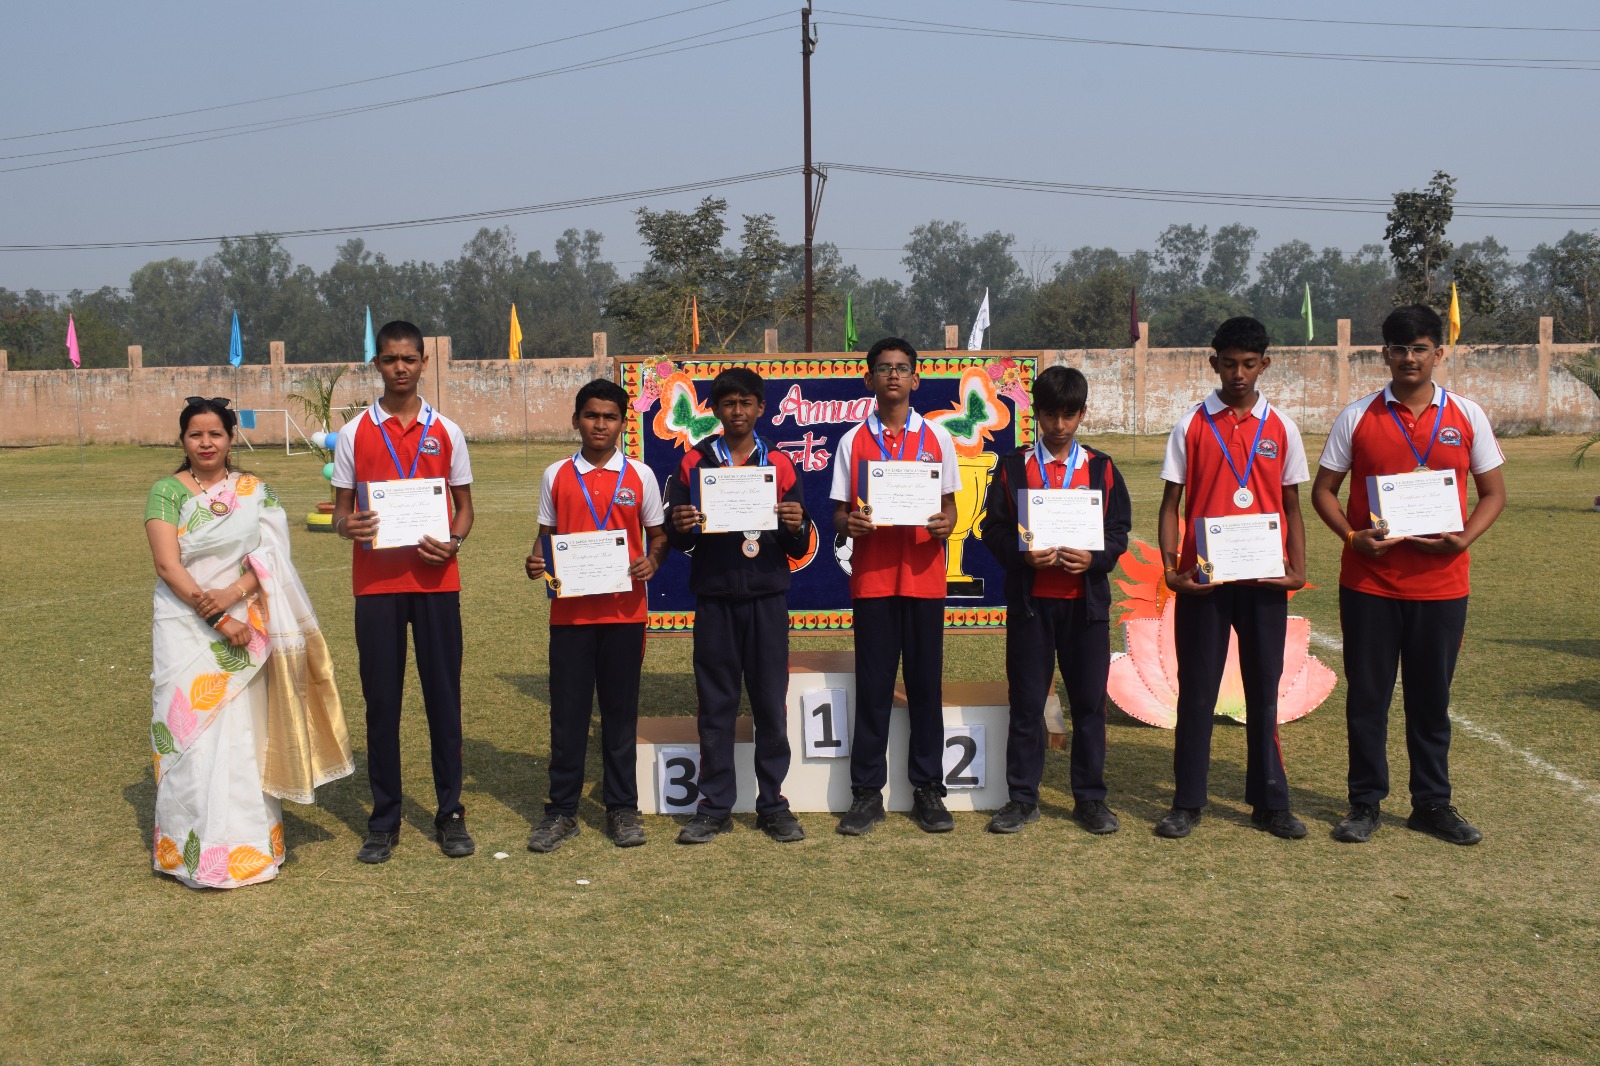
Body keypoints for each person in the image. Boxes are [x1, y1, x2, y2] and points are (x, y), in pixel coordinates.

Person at [1311, 304, 1506, 846]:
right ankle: (1364, 802)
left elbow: (1493, 493)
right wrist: (1351, 537)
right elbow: (1323, 490)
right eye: (1399, 349)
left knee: (1430, 699)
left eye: (1420, 349)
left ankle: (1432, 803)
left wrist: (1465, 537)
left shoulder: (1467, 414)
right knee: (1367, 698)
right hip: (1369, 585)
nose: (1409, 359)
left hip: (1442, 586)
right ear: (1385, 354)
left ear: (1438, 353)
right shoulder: (1358, 416)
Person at [146, 397, 353, 888]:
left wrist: (234, 596)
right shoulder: (165, 492)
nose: (206, 443)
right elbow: (167, 565)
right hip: (185, 626)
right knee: (191, 736)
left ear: (230, 438)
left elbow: (272, 554)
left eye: (215, 434)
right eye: (196, 435)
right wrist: (218, 618)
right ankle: (189, 854)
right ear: (182, 440)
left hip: (247, 622)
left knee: (244, 734)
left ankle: (249, 851)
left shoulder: (255, 490)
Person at [1156, 316, 1310, 840]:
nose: (1238, 374)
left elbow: (1292, 504)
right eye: (1228, 364)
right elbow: (1171, 504)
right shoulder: (1191, 425)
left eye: (1248, 364)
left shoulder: (1282, 427)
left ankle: (1270, 803)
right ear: (1213, 363)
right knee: (1197, 692)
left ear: (1264, 364)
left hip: (1264, 581)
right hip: (1205, 581)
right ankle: (1187, 802)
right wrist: (1171, 570)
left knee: (1264, 690)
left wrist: (1298, 569)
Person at [332, 321, 476, 864]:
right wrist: (348, 527)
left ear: (423, 363)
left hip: (436, 582)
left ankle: (450, 814)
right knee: (382, 703)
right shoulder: (354, 433)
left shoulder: (448, 431)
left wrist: (454, 542)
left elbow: (464, 508)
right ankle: (384, 819)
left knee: (444, 699)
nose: (400, 368)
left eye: (409, 359)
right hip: (376, 587)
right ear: (378, 364)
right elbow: (340, 513)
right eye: (390, 359)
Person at [977, 366, 1131, 835]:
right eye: (1050, 415)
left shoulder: (1101, 468)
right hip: (1032, 607)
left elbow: (1118, 531)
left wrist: (1095, 558)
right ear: (1037, 415)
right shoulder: (1013, 467)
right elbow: (992, 529)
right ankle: (1022, 798)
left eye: (1068, 415)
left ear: (1082, 414)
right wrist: (1023, 554)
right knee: (1026, 705)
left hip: (1086, 608)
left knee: (1089, 706)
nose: (1059, 425)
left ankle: (1090, 799)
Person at [665, 367, 812, 844]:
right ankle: (714, 806)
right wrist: (680, 524)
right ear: (715, 409)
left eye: (746, 402)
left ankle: (773, 803)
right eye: (728, 403)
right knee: (716, 706)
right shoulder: (694, 462)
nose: (737, 411)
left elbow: (796, 543)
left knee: (770, 704)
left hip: (767, 598)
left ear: (760, 408)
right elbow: (679, 538)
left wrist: (795, 524)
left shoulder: (780, 464)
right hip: (715, 597)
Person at [524, 379, 668, 852]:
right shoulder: (556, 474)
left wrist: (652, 560)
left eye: (609, 417)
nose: (600, 425)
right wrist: (536, 560)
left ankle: (622, 808)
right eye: (591, 415)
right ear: (576, 420)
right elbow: (546, 535)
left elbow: (658, 535)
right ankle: (561, 811)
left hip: (625, 614)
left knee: (620, 713)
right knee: (567, 715)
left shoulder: (641, 475)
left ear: (623, 423)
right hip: (570, 617)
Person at [829, 337, 960, 835]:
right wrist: (849, 525)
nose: (893, 376)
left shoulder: (938, 438)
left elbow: (949, 507)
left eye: (902, 368)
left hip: (925, 581)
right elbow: (839, 513)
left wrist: (947, 524)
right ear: (869, 378)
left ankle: (928, 789)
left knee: (926, 688)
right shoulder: (852, 441)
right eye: (884, 368)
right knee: (874, 689)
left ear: (916, 379)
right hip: (874, 581)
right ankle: (866, 793)